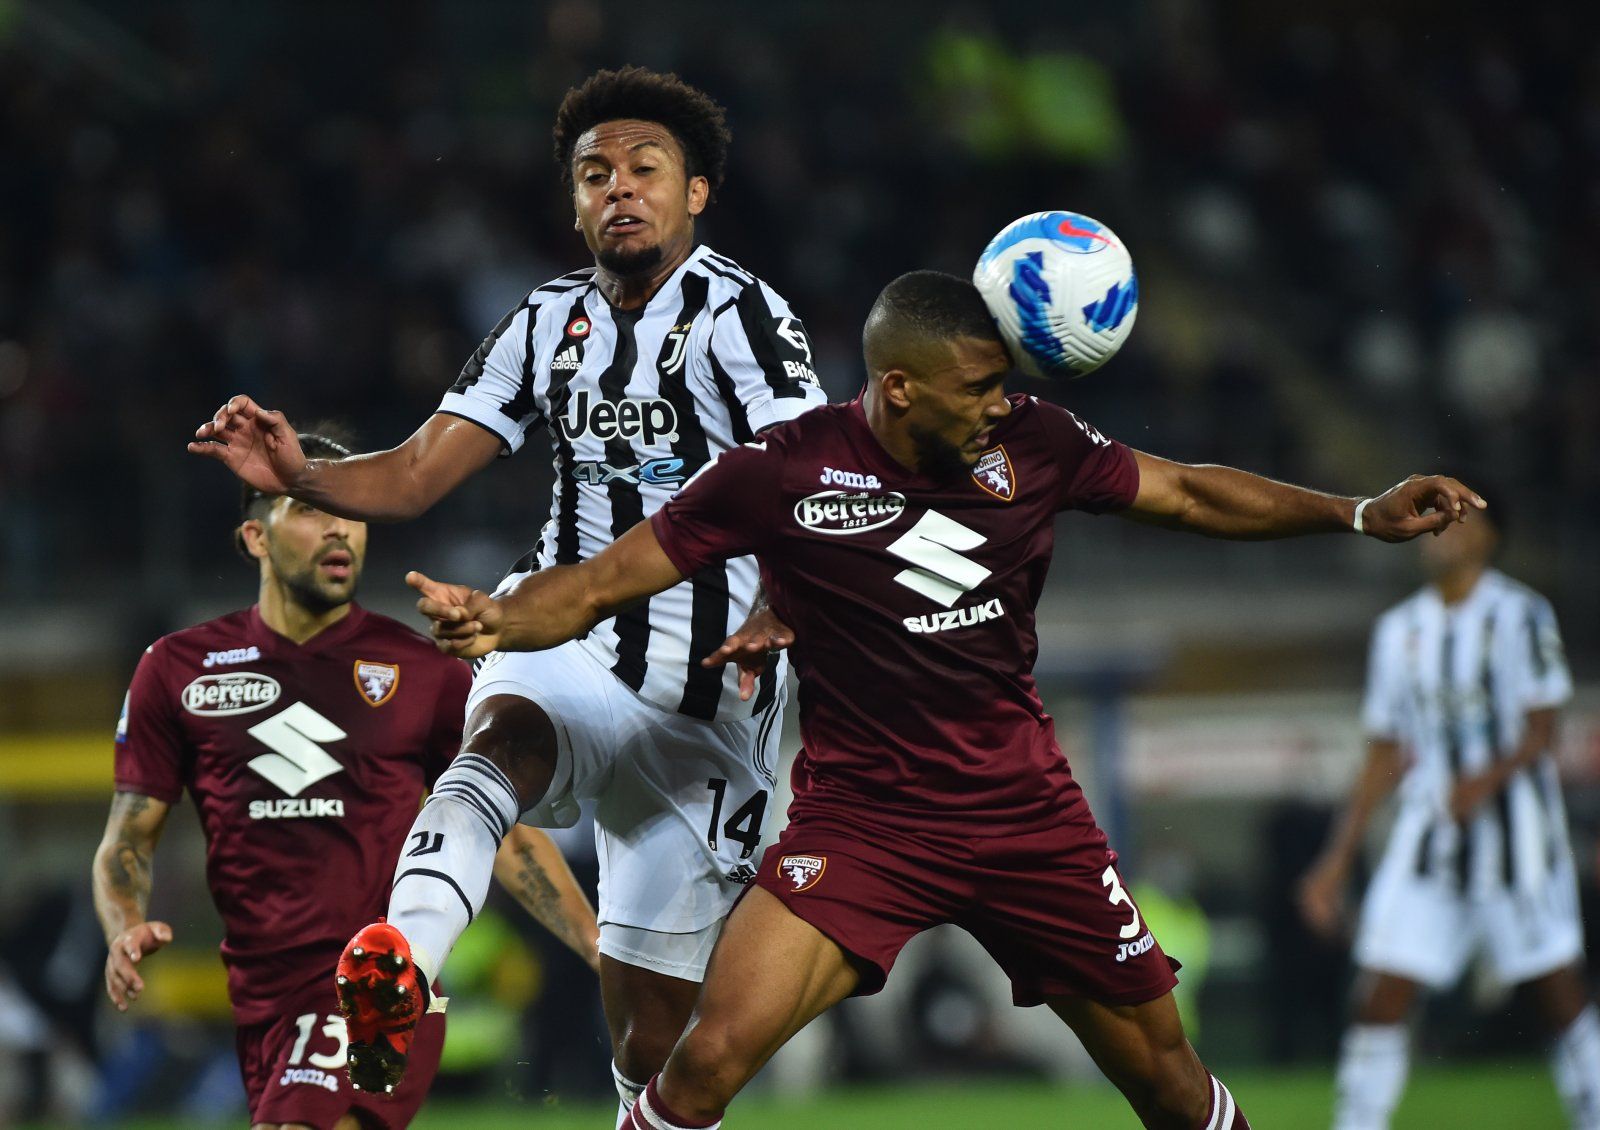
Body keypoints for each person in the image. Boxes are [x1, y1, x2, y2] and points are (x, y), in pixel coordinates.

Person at [403, 270, 1485, 1130]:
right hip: (864, 822)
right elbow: (597, 585)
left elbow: (1191, 489)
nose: (1002, 404)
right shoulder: (777, 470)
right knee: (702, 1064)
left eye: (1006, 383)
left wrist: (1355, 512)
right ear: (900, 385)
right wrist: (497, 619)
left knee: (1165, 1081)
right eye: (980, 388)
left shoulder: (1036, 444)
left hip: (1025, 817)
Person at [187, 67, 825, 1119]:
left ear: (695, 193)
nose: (616, 188)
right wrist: (299, 473)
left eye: (643, 169)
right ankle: (400, 957)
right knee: (502, 739)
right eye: (592, 173)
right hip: (561, 620)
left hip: (714, 679)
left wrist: (786, 603)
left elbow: (806, 471)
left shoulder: (742, 316)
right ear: (572, 202)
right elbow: (414, 471)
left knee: (651, 1038)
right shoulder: (545, 321)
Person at [92, 431, 600, 1130]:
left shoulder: (423, 674)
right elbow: (129, 835)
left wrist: (599, 947)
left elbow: (497, 835)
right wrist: (122, 925)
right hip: (259, 1000)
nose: (338, 528)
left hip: (375, 989)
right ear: (254, 538)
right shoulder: (177, 669)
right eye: (308, 508)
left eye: (352, 511)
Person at [1298, 494, 1600, 1130]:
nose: (1442, 537)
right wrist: (1337, 857)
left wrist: (1482, 781)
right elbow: (1382, 749)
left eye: (1460, 523)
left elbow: (1544, 727)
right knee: (1379, 997)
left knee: (1560, 1000)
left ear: (1491, 536)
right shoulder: (1399, 630)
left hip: (1520, 844)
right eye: (1434, 526)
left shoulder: (1521, 614)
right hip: (1428, 841)